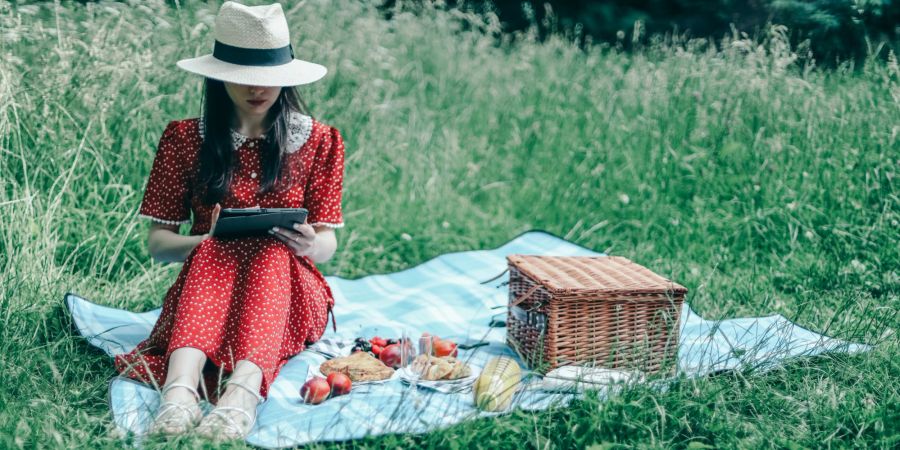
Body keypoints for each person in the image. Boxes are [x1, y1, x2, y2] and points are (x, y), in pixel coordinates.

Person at [113, 1, 344, 441]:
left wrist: (308, 242)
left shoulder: (318, 140)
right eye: (242, 77)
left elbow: (328, 245)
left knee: (273, 251)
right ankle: (177, 394)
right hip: (208, 286)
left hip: (289, 291)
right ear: (218, 75)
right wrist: (204, 239)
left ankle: (241, 398)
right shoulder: (184, 138)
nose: (257, 90)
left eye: (268, 79)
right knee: (213, 245)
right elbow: (159, 243)